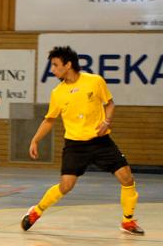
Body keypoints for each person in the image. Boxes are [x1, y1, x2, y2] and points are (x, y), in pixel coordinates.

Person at [21, 46, 143, 235]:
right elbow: (49, 120)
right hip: (75, 146)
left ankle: (128, 221)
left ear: (68, 65)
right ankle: (36, 211)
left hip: (101, 142)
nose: (52, 69)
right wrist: (35, 140)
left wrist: (107, 120)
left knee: (127, 178)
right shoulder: (58, 93)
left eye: (55, 65)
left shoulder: (95, 81)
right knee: (66, 186)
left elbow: (109, 104)